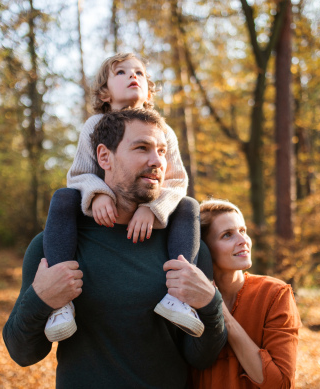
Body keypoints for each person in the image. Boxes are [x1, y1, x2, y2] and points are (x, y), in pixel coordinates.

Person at [2, 108, 227, 388]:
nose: (157, 160)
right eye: (142, 148)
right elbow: (22, 353)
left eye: (161, 151)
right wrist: (42, 298)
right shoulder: (56, 244)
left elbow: (201, 357)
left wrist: (210, 304)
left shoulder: (185, 249)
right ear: (104, 157)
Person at [43, 53, 203, 342]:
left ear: (149, 89)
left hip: (149, 207)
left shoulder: (163, 131)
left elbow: (177, 181)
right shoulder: (94, 125)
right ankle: (61, 303)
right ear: (104, 91)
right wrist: (98, 194)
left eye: (140, 73)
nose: (133, 76)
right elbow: (79, 174)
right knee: (63, 198)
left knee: (188, 206)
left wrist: (153, 209)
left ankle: (179, 296)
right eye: (121, 72)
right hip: (101, 208)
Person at [190, 199, 301, 389]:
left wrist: (217, 309)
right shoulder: (186, 300)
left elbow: (280, 384)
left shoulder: (275, 294)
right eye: (227, 235)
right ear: (204, 248)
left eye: (243, 231)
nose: (243, 241)